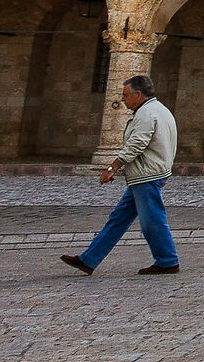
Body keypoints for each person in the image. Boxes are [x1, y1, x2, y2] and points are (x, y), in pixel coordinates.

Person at [61, 74, 181, 276]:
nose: (123, 100)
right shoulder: (160, 110)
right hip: (147, 174)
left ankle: (167, 260)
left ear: (138, 94)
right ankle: (88, 259)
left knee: (152, 220)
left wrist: (112, 167)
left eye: (125, 95)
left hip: (146, 175)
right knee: (118, 219)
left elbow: (137, 144)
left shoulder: (147, 113)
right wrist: (166, 170)